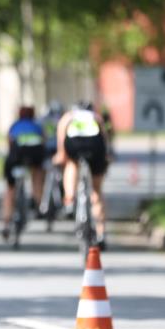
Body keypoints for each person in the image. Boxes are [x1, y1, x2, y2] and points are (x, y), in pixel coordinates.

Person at [52, 101, 110, 250]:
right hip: (95, 145)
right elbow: (104, 137)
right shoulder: (95, 116)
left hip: (74, 143)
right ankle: (101, 232)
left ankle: (70, 200)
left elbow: (61, 132)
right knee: (97, 192)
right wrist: (106, 156)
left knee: (71, 164)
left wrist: (61, 153)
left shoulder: (69, 116)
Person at [1, 105, 46, 240]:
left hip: (17, 154)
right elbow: (44, 140)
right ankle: (37, 203)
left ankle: (6, 223)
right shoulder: (37, 126)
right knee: (37, 174)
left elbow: (9, 142)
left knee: (10, 189)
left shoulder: (15, 125)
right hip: (35, 153)